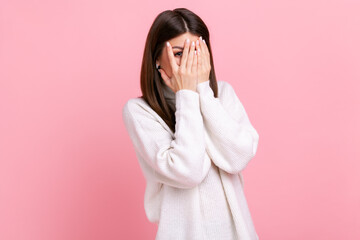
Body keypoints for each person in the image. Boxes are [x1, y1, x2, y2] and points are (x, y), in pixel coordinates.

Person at [122, 8, 260, 240]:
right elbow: (188, 171)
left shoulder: (222, 94)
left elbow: (238, 157)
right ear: (156, 58)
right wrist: (186, 94)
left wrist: (203, 92)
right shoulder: (140, 111)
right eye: (178, 53)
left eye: (195, 52)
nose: (188, 62)